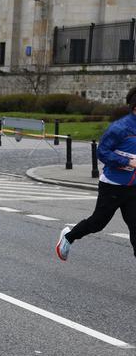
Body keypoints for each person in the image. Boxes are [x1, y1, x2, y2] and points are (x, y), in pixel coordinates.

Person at [56, 87, 136, 261]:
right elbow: (102, 152)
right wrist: (127, 161)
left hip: (133, 188)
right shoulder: (120, 128)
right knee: (97, 223)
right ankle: (69, 237)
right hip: (112, 186)